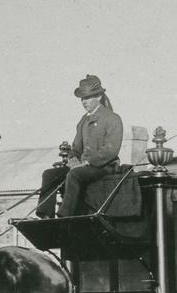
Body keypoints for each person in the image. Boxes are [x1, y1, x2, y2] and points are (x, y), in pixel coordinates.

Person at [37, 74, 124, 218]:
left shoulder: (112, 119)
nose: (84, 101)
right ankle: (45, 215)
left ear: (99, 97)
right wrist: (73, 160)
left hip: (104, 168)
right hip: (83, 167)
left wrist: (87, 162)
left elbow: (111, 150)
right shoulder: (83, 121)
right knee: (49, 174)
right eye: (82, 98)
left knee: (75, 174)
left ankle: (65, 216)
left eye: (88, 97)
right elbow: (75, 148)